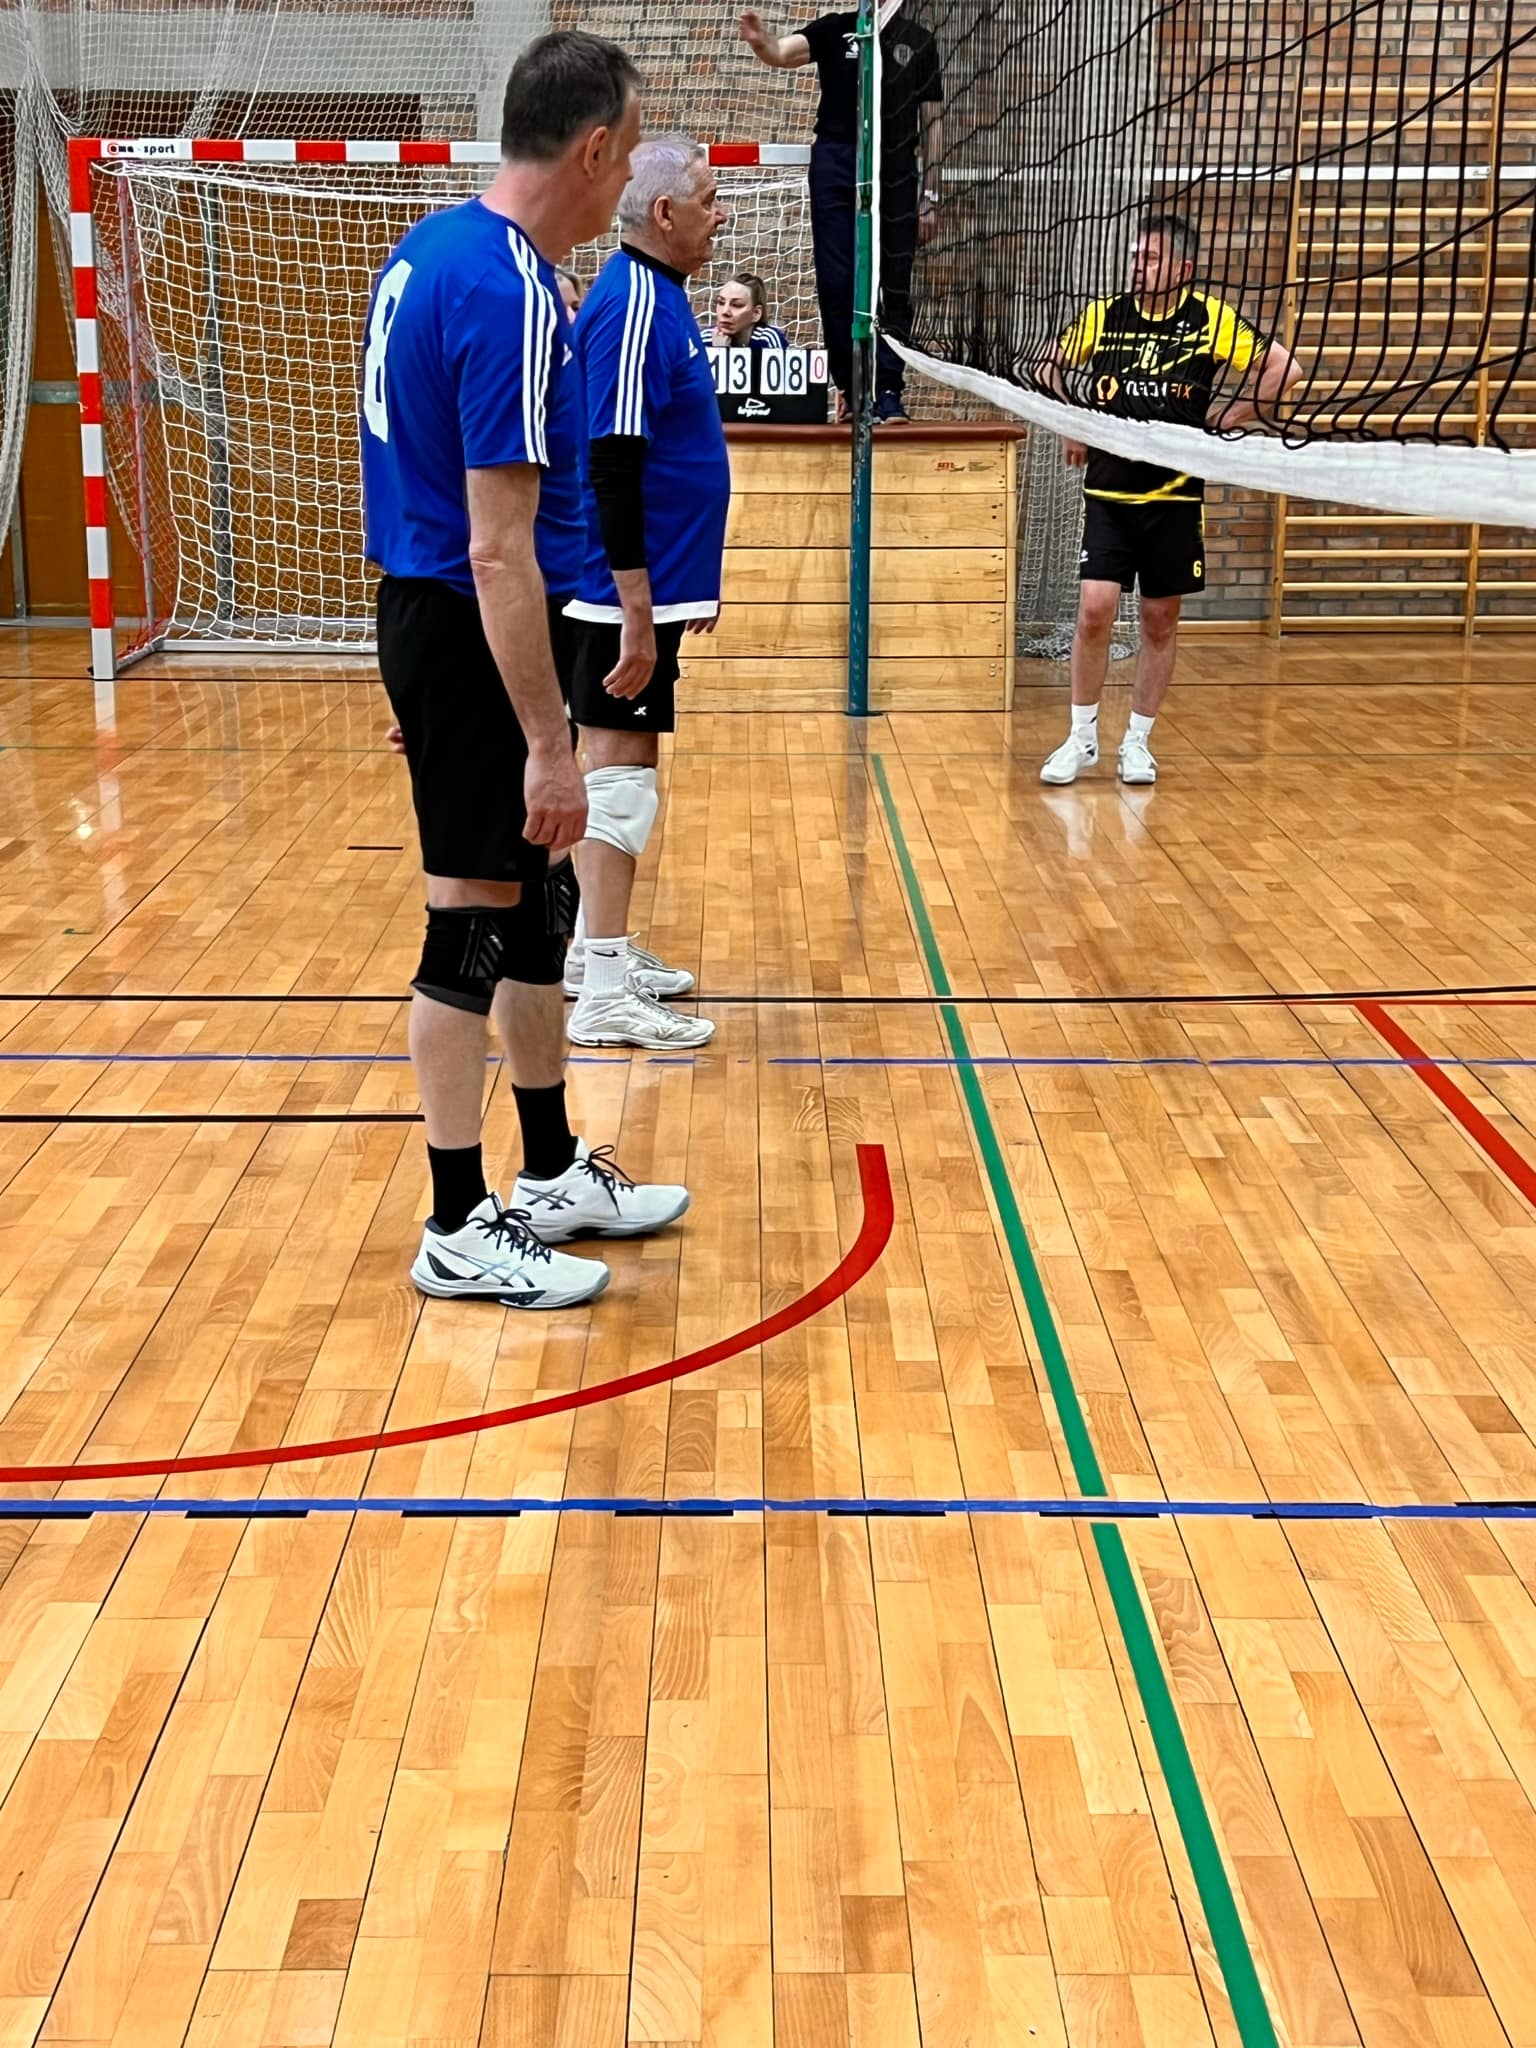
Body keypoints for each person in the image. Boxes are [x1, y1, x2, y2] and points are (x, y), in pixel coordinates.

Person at [362, 31, 693, 1307]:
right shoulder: (503, 288)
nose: (631, 179)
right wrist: (547, 743)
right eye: (632, 150)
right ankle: (456, 1221)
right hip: (470, 622)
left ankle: (550, 1168)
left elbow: (412, 477)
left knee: (535, 908)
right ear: (596, 149)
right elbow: (494, 546)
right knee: (468, 922)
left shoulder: (438, 248)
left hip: (456, 629)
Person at [561, 137, 731, 1051]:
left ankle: (596, 956)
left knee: (621, 775)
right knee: (617, 785)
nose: (720, 213)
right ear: (664, 214)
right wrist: (635, 609)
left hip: (644, 588)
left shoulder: (656, 294)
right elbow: (613, 465)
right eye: (708, 198)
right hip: (614, 591)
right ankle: (602, 990)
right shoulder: (632, 305)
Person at [1039, 214, 1303, 787]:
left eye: (1151, 258)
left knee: (1159, 621)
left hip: (1174, 497)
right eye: (1135, 256)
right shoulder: (1105, 315)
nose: (1138, 266)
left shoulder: (1211, 319)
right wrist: (1070, 422)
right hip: (1109, 493)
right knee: (1094, 611)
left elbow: (1286, 368)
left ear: (1183, 268)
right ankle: (1081, 737)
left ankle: (1137, 742)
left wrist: (1233, 416)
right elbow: (1048, 366)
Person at [740, 4, 942, 424]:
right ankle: (851, 387)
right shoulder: (835, 28)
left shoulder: (918, 40)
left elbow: (933, 122)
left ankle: (889, 389)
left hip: (895, 165)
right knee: (837, 282)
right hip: (837, 160)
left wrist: (931, 194)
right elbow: (781, 52)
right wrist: (761, 43)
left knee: (894, 283)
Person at [709, 272, 789, 347]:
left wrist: (721, 351)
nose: (725, 312)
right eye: (721, 302)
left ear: (756, 313)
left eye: (737, 305)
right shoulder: (706, 338)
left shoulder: (768, 339)